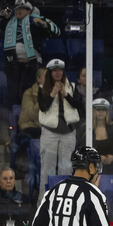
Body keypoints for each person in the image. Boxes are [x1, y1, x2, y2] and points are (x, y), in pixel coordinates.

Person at [0, 0, 60, 108]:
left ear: (29, 11)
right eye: (16, 8)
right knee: (12, 92)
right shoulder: (8, 23)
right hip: (12, 64)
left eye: (22, 8)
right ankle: (14, 117)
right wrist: (2, 15)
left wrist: (43, 23)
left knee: (27, 91)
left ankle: (28, 114)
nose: (18, 10)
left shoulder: (34, 21)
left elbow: (57, 31)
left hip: (31, 65)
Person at [38, 59, 81, 199]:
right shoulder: (42, 87)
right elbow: (43, 107)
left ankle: (64, 201)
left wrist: (65, 94)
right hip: (50, 132)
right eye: (55, 70)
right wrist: (53, 94)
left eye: (60, 70)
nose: (58, 73)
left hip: (68, 132)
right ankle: (44, 202)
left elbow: (78, 105)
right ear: (50, 72)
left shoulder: (72, 86)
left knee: (66, 169)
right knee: (47, 169)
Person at [77, 99, 113, 175]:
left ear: (107, 112)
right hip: (92, 166)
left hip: (112, 166)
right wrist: (97, 157)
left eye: (104, 109)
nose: (101, 112)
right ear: (93, 111)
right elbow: (82, 151)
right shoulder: (85, 129)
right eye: (98, 109)